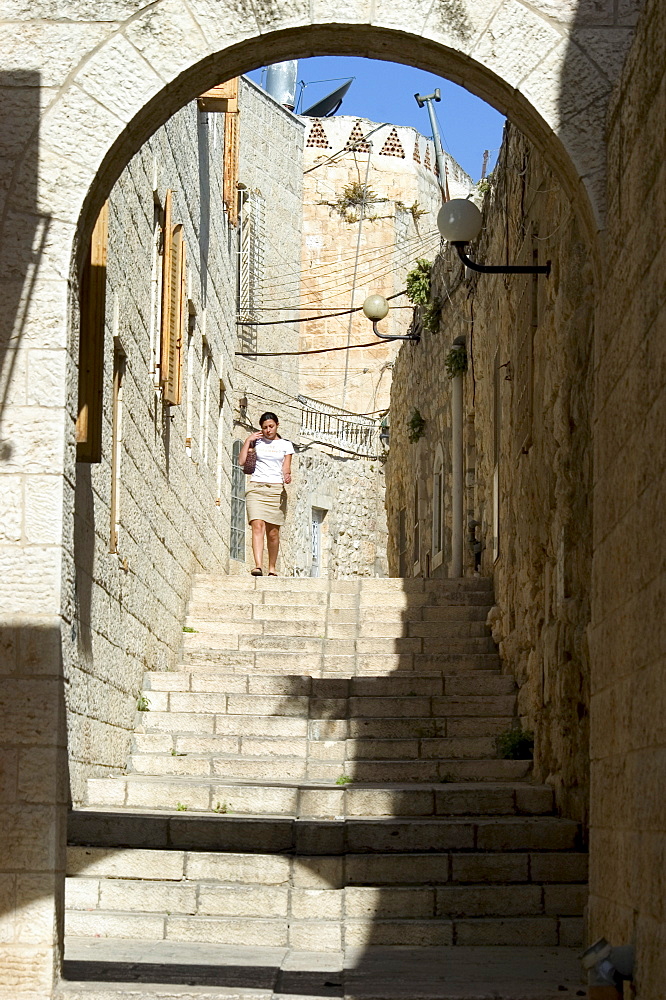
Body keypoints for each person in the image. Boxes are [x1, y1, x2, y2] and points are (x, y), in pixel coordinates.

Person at [238, 412, 294, 577]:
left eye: (271, 426)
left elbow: (286, 466)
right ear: (261, 428)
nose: (268, 430)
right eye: (265, 427)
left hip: (276, 490)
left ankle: (272, 568)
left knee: (273, 532)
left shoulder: (285, 445)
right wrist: (248, 440)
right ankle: (258, 566)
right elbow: (241, 461)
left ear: (277, 425)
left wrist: (287, 475)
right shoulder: (256, 442)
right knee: (257, 525)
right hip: (256, 487)